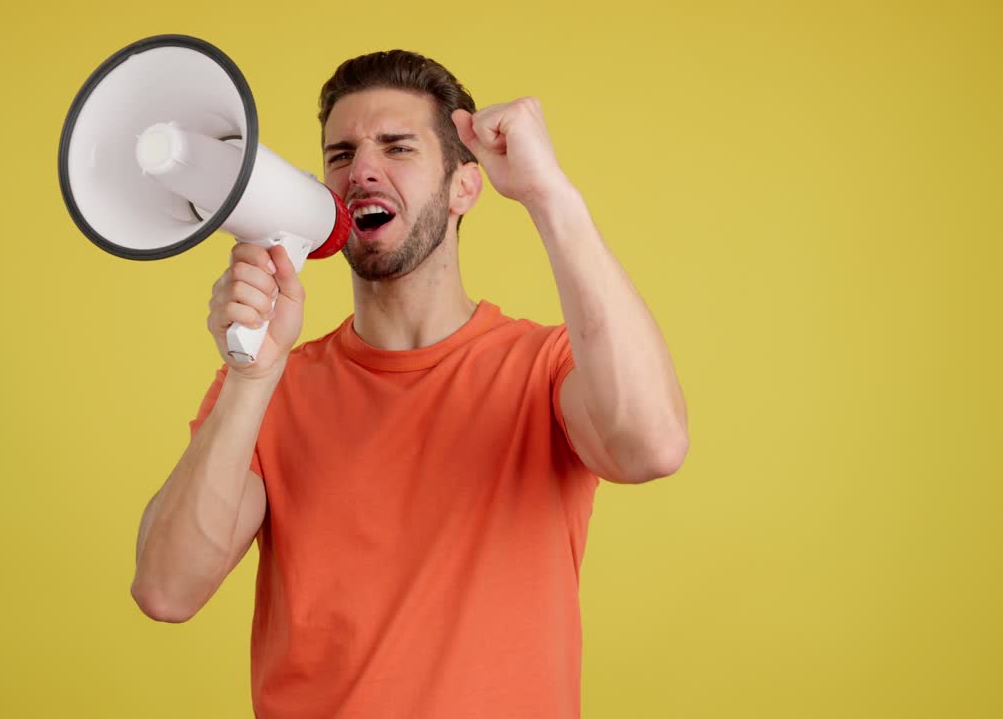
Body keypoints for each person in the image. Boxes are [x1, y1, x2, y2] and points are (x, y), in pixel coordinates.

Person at [130, 49, 689, 718]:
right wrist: (252, 378)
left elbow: (652, 448)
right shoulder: (268, 387)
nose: (362, 169)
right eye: (340, 155)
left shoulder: (545, 370)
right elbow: (166, 590)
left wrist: (549, 195)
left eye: (398, 147)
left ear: (465, 186)